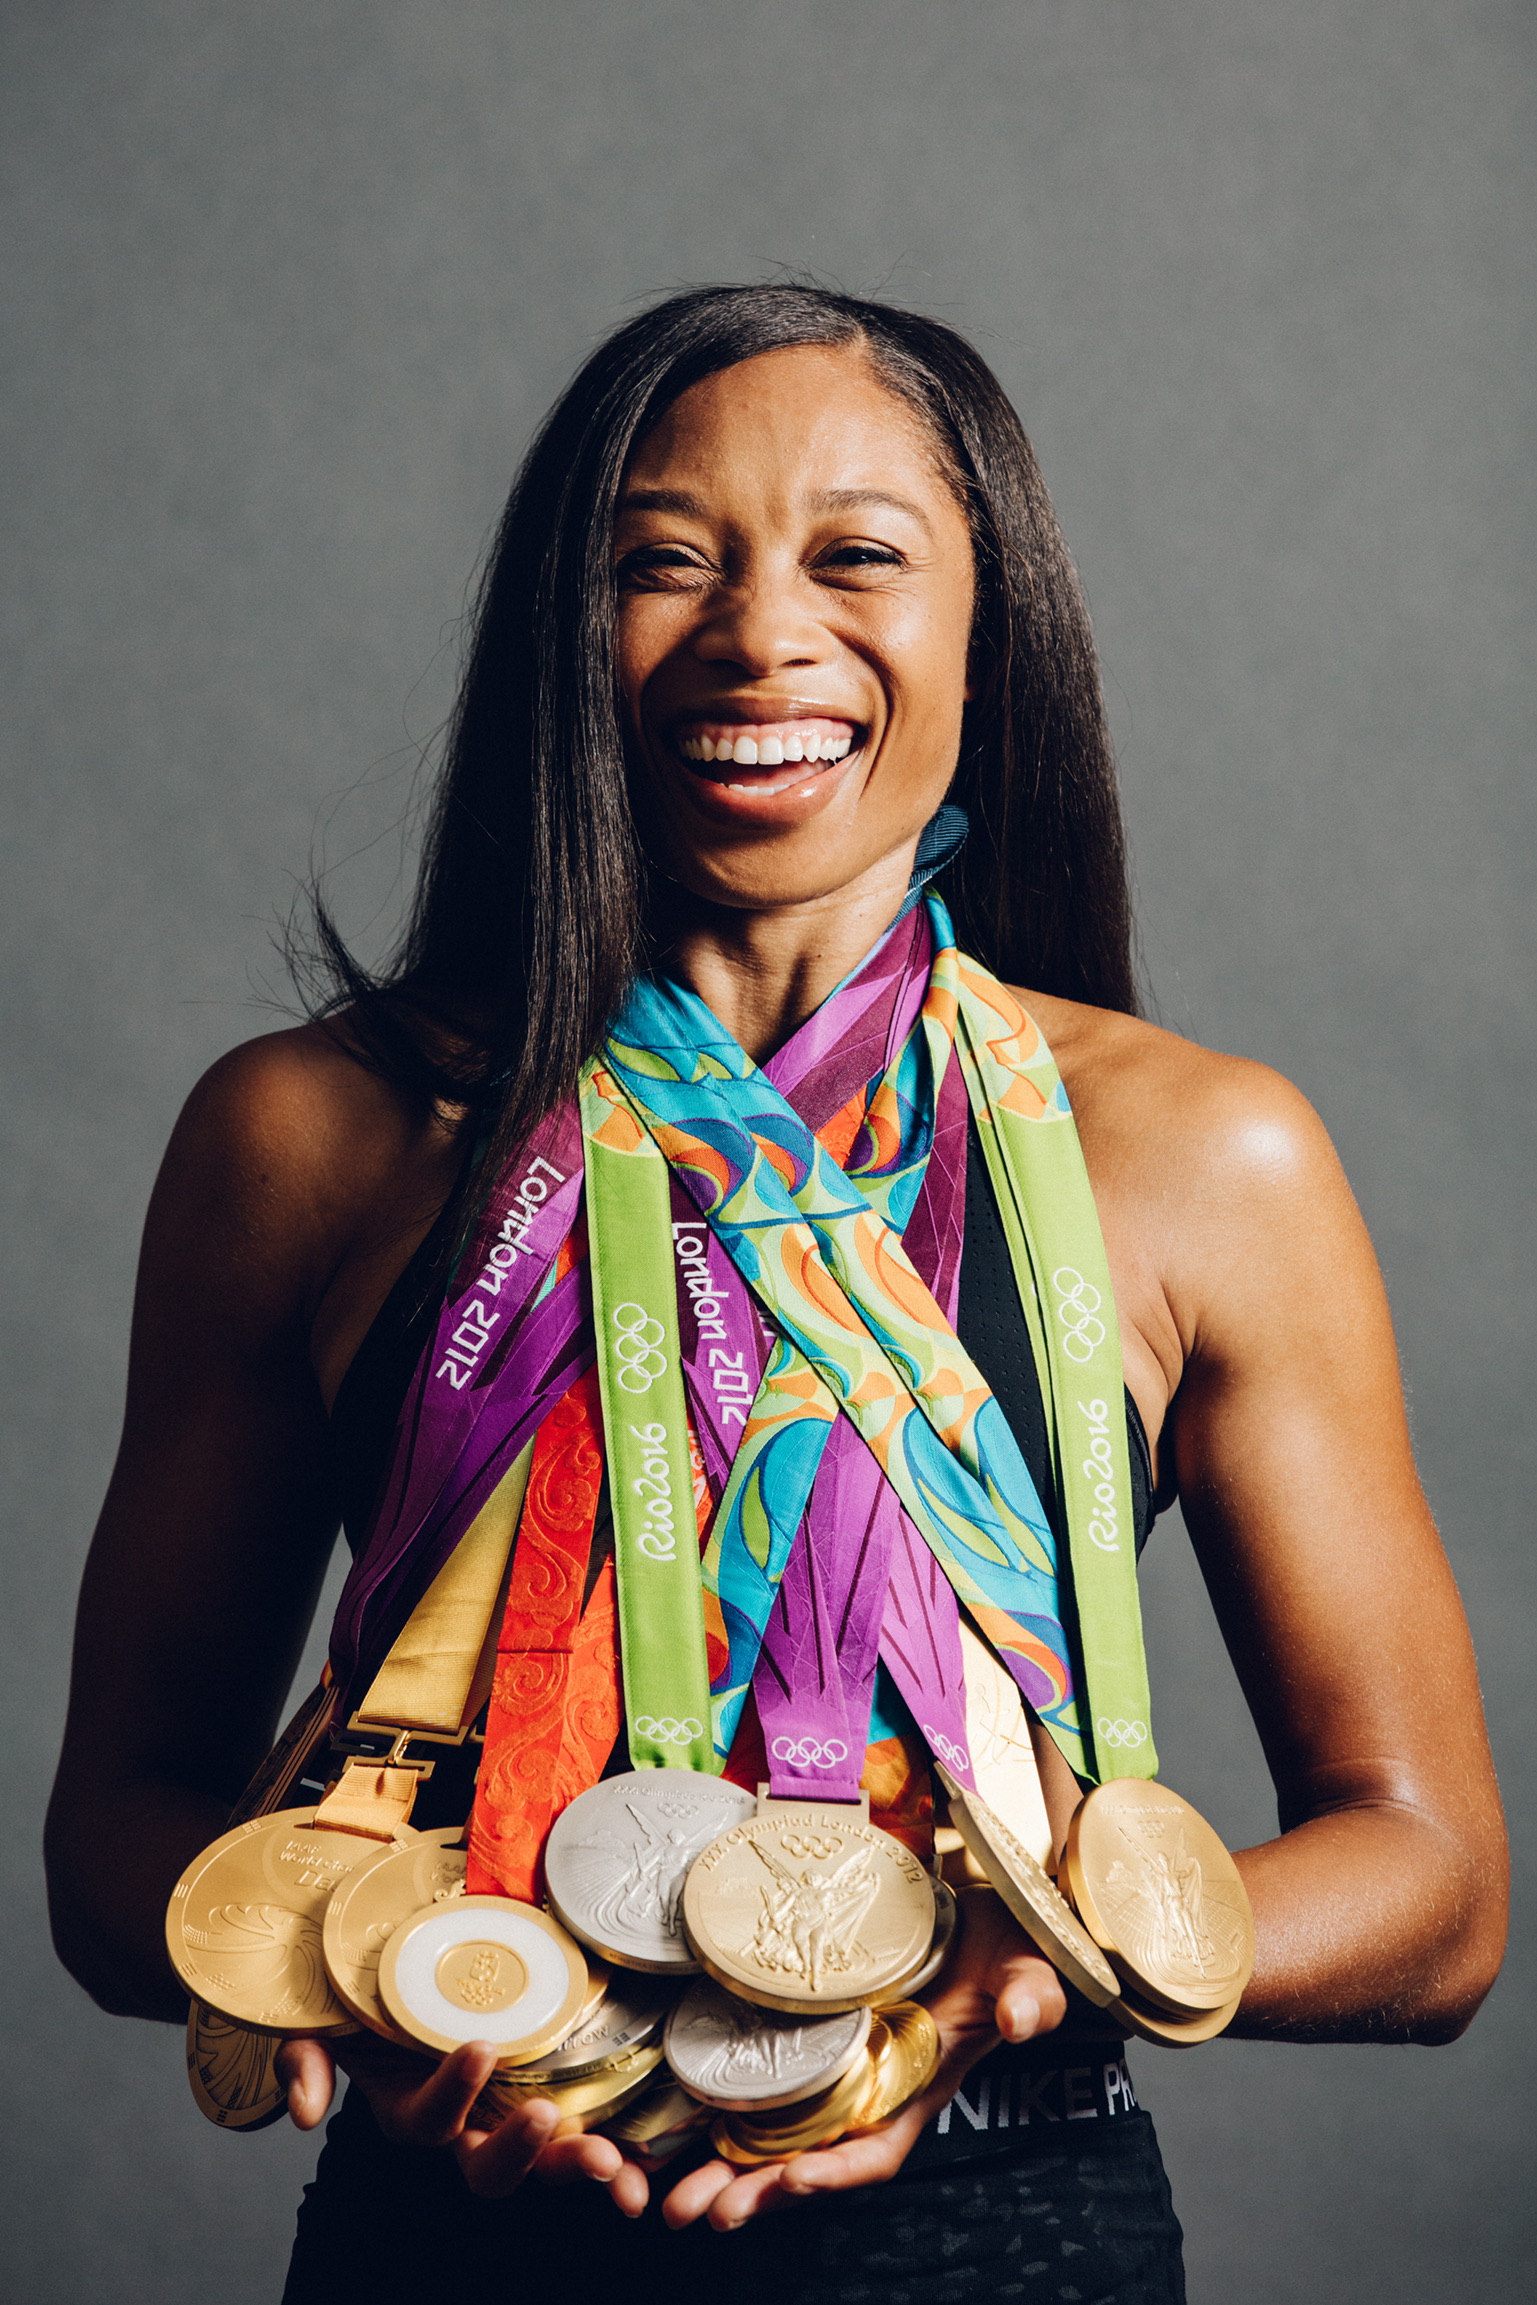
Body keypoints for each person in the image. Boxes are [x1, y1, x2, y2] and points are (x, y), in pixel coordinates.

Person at [45, 285, 1508, 2305]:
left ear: (987, 628)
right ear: (572, 633)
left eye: (858, 555)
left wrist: (1012, 1976)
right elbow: (112, 1844)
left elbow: (1433, 1896)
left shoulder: (1199, 1155)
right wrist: (347, 1983)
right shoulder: (313, 1136)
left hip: (1005, 2225)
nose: (758, 629)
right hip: (449, 2226)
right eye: (666, 559)